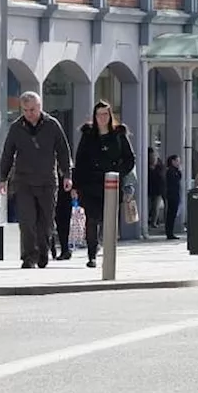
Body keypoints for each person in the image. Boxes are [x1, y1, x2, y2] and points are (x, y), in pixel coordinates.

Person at [0, 91, 73, 269]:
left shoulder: (52, 125)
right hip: (23, 181)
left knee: (46, 222)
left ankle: (43, 252)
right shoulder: (17, 128)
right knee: (27, 222)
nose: (29, 113)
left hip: (48, 180)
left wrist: (67, 175)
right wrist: (3, 178)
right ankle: (29, 257)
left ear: (40, 107)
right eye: (25, 110)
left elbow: (63, 151)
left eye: (32, 109)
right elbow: (8, 153)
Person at [73, 101, 136, 269]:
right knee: (92, 219)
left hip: (111, 184)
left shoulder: (119, 134)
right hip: (90, 184)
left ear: (110, 116)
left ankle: (107, 250)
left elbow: (130, 159)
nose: (102, 118)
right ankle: (92, 254)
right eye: (99, 114)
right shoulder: (88, 135)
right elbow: (80, 160)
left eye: (105, 114)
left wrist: (117, 173)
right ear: (94, 116)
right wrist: (76, 184)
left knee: (107, 220)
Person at [163, 155, 183, 240]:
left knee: (173, 214)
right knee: (171, 214)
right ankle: (169, 233)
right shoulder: (170, 171)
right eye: (177, 161)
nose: (179, 163)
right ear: (173, 161)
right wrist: (179, 171)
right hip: (172, 195)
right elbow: (175, 180)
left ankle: (170, 232)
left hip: (175, 194)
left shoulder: (174, 170)